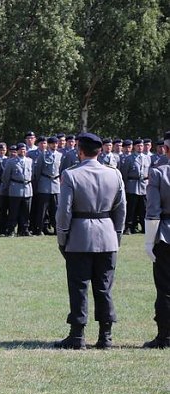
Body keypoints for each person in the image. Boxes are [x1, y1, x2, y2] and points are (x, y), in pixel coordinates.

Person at [54, 133, 126, 349]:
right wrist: (117, 235)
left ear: (80, 151)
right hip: (107, 235)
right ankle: (106, 336)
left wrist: (62, 237)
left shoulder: (71, 174)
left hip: (79, 236)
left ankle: (77, 336)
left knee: (79, 286)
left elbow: (64, 212)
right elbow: (121, 209)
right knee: (104, 287)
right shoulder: (114, 174)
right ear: (100, 151)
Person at [144, 131, 170, 348]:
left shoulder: (158, 173)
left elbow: (153, 211)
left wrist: (148, 241)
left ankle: (165, 336)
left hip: (166, 234)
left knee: (165, 288)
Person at [31, 136, 62, 235]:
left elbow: (61, 171)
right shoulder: (43, 155)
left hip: (56, 184)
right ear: (48, 144)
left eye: (56, 143)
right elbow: (38, 171)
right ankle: (39, 229)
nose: (55, 145)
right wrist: (38, 185)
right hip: (44, 184)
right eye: (53, 143)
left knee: (56, 209)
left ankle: (57, 229)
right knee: (42, 209)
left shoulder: (60, 155)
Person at [1, 142, 33, 237]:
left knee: (26, 211)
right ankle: (11, 230)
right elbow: (6, 176)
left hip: (27, 189)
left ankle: (24, 229)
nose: (22, 151)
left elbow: (32, 174)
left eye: (24, 149)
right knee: (13, 211)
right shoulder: (11, 162)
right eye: (20, 149)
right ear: (17, 151)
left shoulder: (30, 161)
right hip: (15, 189)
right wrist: (8, 187)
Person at [121, 139, 149, 235]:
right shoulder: (129, 159)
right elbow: (124, 174)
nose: (140, 148)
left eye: (141, 146)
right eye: (138, 146)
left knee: (144, 208)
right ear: (134, 147)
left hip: (144, 185)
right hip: (132, 185)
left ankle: (144, 227)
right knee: (131, 208)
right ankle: (129, 227)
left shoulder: (147, 158)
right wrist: (124, 187)